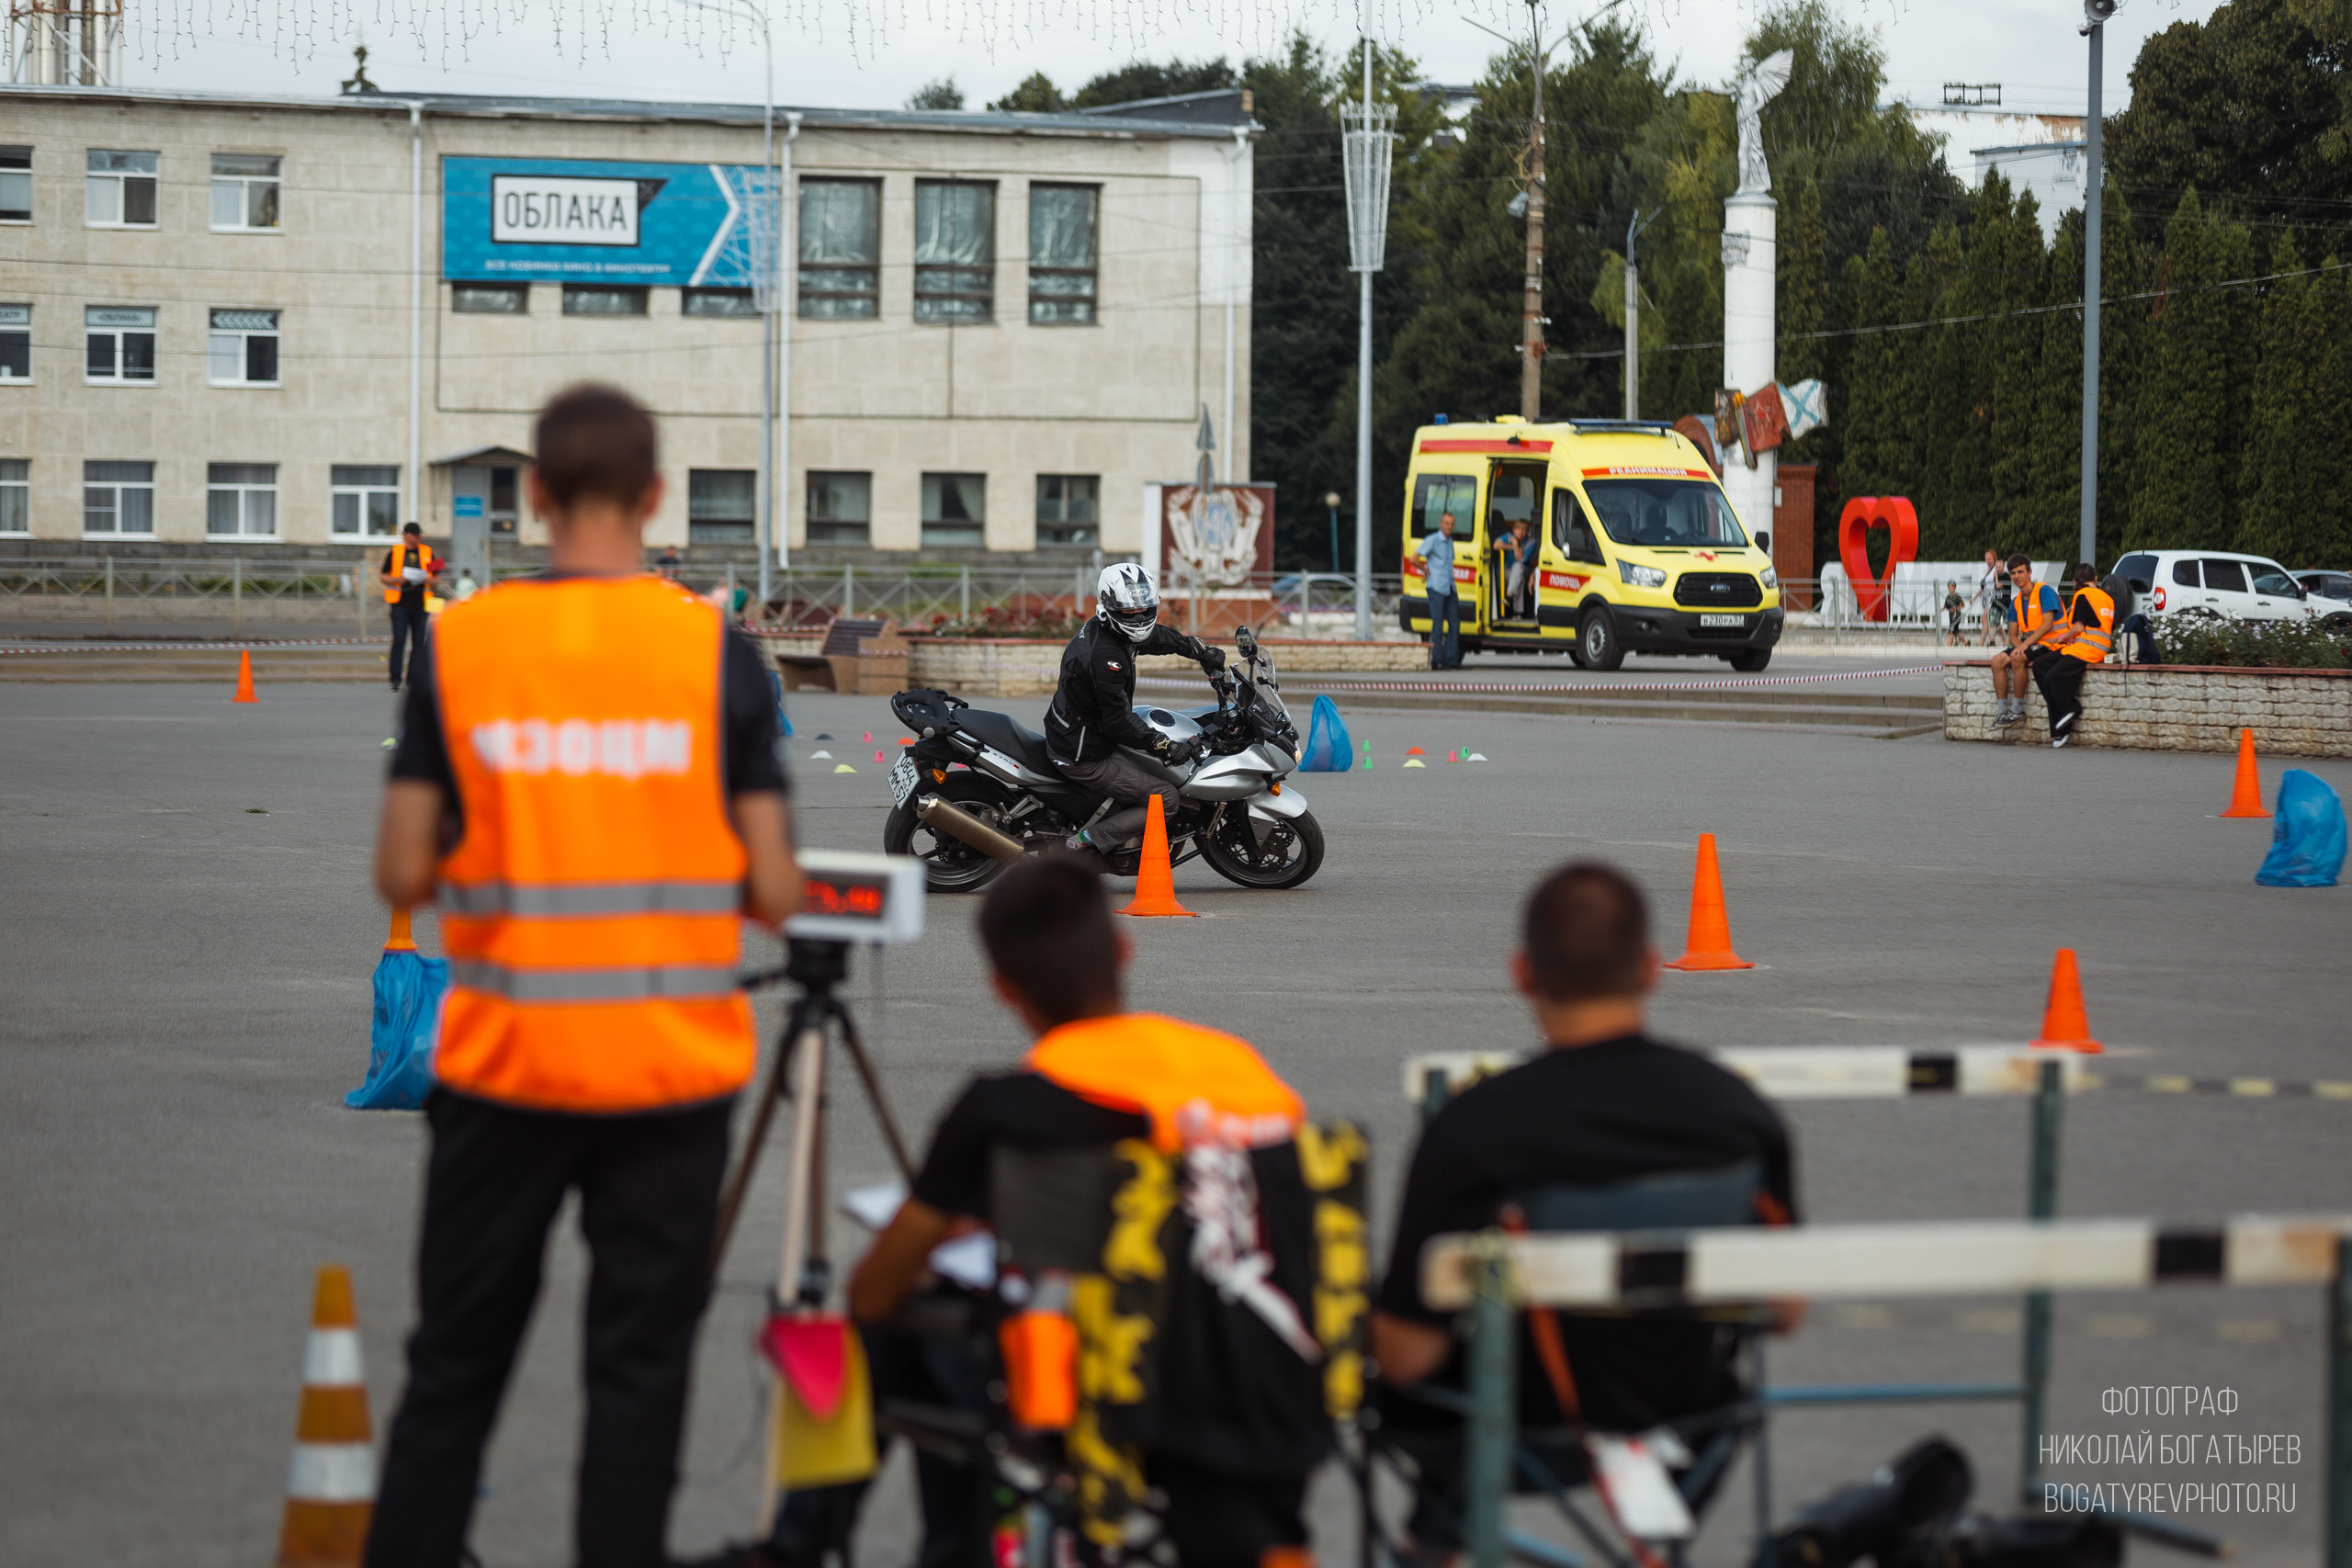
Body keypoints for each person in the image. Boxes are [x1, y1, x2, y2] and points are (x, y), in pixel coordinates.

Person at [366, 384, 802, 1568]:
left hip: (502, 1073)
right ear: (657, 497)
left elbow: (400, 864)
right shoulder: (717, 658)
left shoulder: (463, 647)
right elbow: (772, 891)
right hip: (668, 1082)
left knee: (453, 1368)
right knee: (638, 1379)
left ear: (537, 497)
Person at [740, 853, 1327, 1568]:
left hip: (1103, 1394)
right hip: (1272, 1389)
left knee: (890, 1322)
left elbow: (873, 1290)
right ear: (1123, 948)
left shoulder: (1006, 1110)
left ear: (1003, 988)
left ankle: (812, 1547)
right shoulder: (1246, 1072)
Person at [1370, 862, 1799, 1559]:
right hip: (1689, 1414)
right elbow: (1784, 1309)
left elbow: (1407, 1353)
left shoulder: (1478, 1125)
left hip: (1513, 1422)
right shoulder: (1738, 1113)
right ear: (1651, 968)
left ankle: (1437, 1542)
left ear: (1523, 973)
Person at [1045, 563, 1227, 857]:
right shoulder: (1104, 656)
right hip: (1082, 753)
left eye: (1145, 608)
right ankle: (1078, 842)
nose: (1139, 617)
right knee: (1166, 797)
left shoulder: (1112, 632)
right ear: (1107, 604)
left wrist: (1199, 651)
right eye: (1130, 611)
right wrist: (1164, 745)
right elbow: (1119, 723)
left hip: (1078, 731)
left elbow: (1157, 638)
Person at [2034, 562, 2115, 750]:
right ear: (2095, 578)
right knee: (2040, 665)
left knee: (2050, 676)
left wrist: (2060, 639)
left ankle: (2069, 711)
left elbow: (2078, 627)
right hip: (2095, 647)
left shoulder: (2082, 595)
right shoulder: (2107, 598)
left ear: (2075, 581)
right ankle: (2063, 714)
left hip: (2085, 649)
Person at [1988, 556, 2064, 728]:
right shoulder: (2016, 602)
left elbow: (2047, 624)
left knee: (2018, 658)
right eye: (2013, 573)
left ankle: (2018, 710)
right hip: (2031, 644)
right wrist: (2018, 646)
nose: (2016, 576)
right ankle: (2002, 712)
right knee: (1997, 661)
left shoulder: (2044, 591)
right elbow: (2013, 634)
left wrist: (2022, 647)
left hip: (2052, 643)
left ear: (2029, 572)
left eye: (2020, 572)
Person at [379, 522, 442, 692]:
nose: (418, 537)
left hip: (421, 604)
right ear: (406, 535)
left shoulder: (428, 552)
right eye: (415, 534)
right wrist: (396, 580)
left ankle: (414, 679)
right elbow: (383, 576)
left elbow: (437, 577)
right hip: (400, 604)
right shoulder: (395, 552)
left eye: (420, 534)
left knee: (419, 642)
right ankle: (395, 679)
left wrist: (430, 580)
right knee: (399, 641)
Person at [1418, 511, 1462, 670]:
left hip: (1449, 587)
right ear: (1440, 524)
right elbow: (1414, 557)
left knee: (1455, 624)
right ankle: (1436, 661)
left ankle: (1451, 661)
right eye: (1446, 524)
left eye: (1452, 524)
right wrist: (1425, 569)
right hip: (1436, 587)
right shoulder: (1433, 540)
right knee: (1437, 626)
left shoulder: (1450, 542)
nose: (1449, 527)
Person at [1499, 516, 1538, 619]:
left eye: (1524, 530)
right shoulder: (1508, 537)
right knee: (1518, 578)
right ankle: (1518, 613)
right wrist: (1512, 546)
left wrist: (1516, 546)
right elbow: (1496, 545)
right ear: (1514, 530)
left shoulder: (1531, 542)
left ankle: (1508, 596)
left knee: (1518, 568)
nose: (1521, 532)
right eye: (1518, 529)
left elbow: (1520, 560)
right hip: (1508, 573)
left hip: (1525, 571)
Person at [1975, 548, 2008, 647]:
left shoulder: (1995, 569)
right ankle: (2004, 641)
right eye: (1986, 557)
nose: (1988, 559)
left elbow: (1998, 583)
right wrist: (1975, 597)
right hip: (1986, 597)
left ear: (1994, 558)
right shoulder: (1986, 570)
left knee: (1985, 619)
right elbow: (1983, 586)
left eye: (1990, 557)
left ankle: (1986, 642)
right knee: (1996, 622)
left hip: (1993, 597)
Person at [1943, 580, 1966, 647]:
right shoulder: (1948, 597)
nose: (1950, 588)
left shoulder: (1957, 596)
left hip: (1956, 616)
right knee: (1956, 632)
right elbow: (1945, 606)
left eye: (1952, 587)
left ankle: (1949, 646)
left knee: (1951, 631)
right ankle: (1966, 642)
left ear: (1955, 588)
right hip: (1951, 616)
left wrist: (1955, 608)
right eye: (1949, 587)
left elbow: (1962, 605)